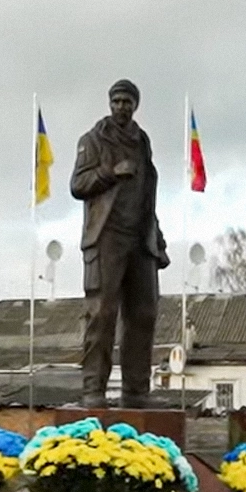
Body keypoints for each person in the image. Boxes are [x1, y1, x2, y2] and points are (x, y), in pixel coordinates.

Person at [71, 79, 170, 409]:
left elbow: (147, 194)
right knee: (102, 313)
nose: (121, 106)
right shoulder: (93, 139)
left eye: (127, 101)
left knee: (144, 313)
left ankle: (136, 392)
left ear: (135, 105)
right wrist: (111, 172)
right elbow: (78, 184)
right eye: (116, 101)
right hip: (107, 236)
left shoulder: (142, 142)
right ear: (110, 103)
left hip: (141, 237)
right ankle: (93, 390)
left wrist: (158, 235)